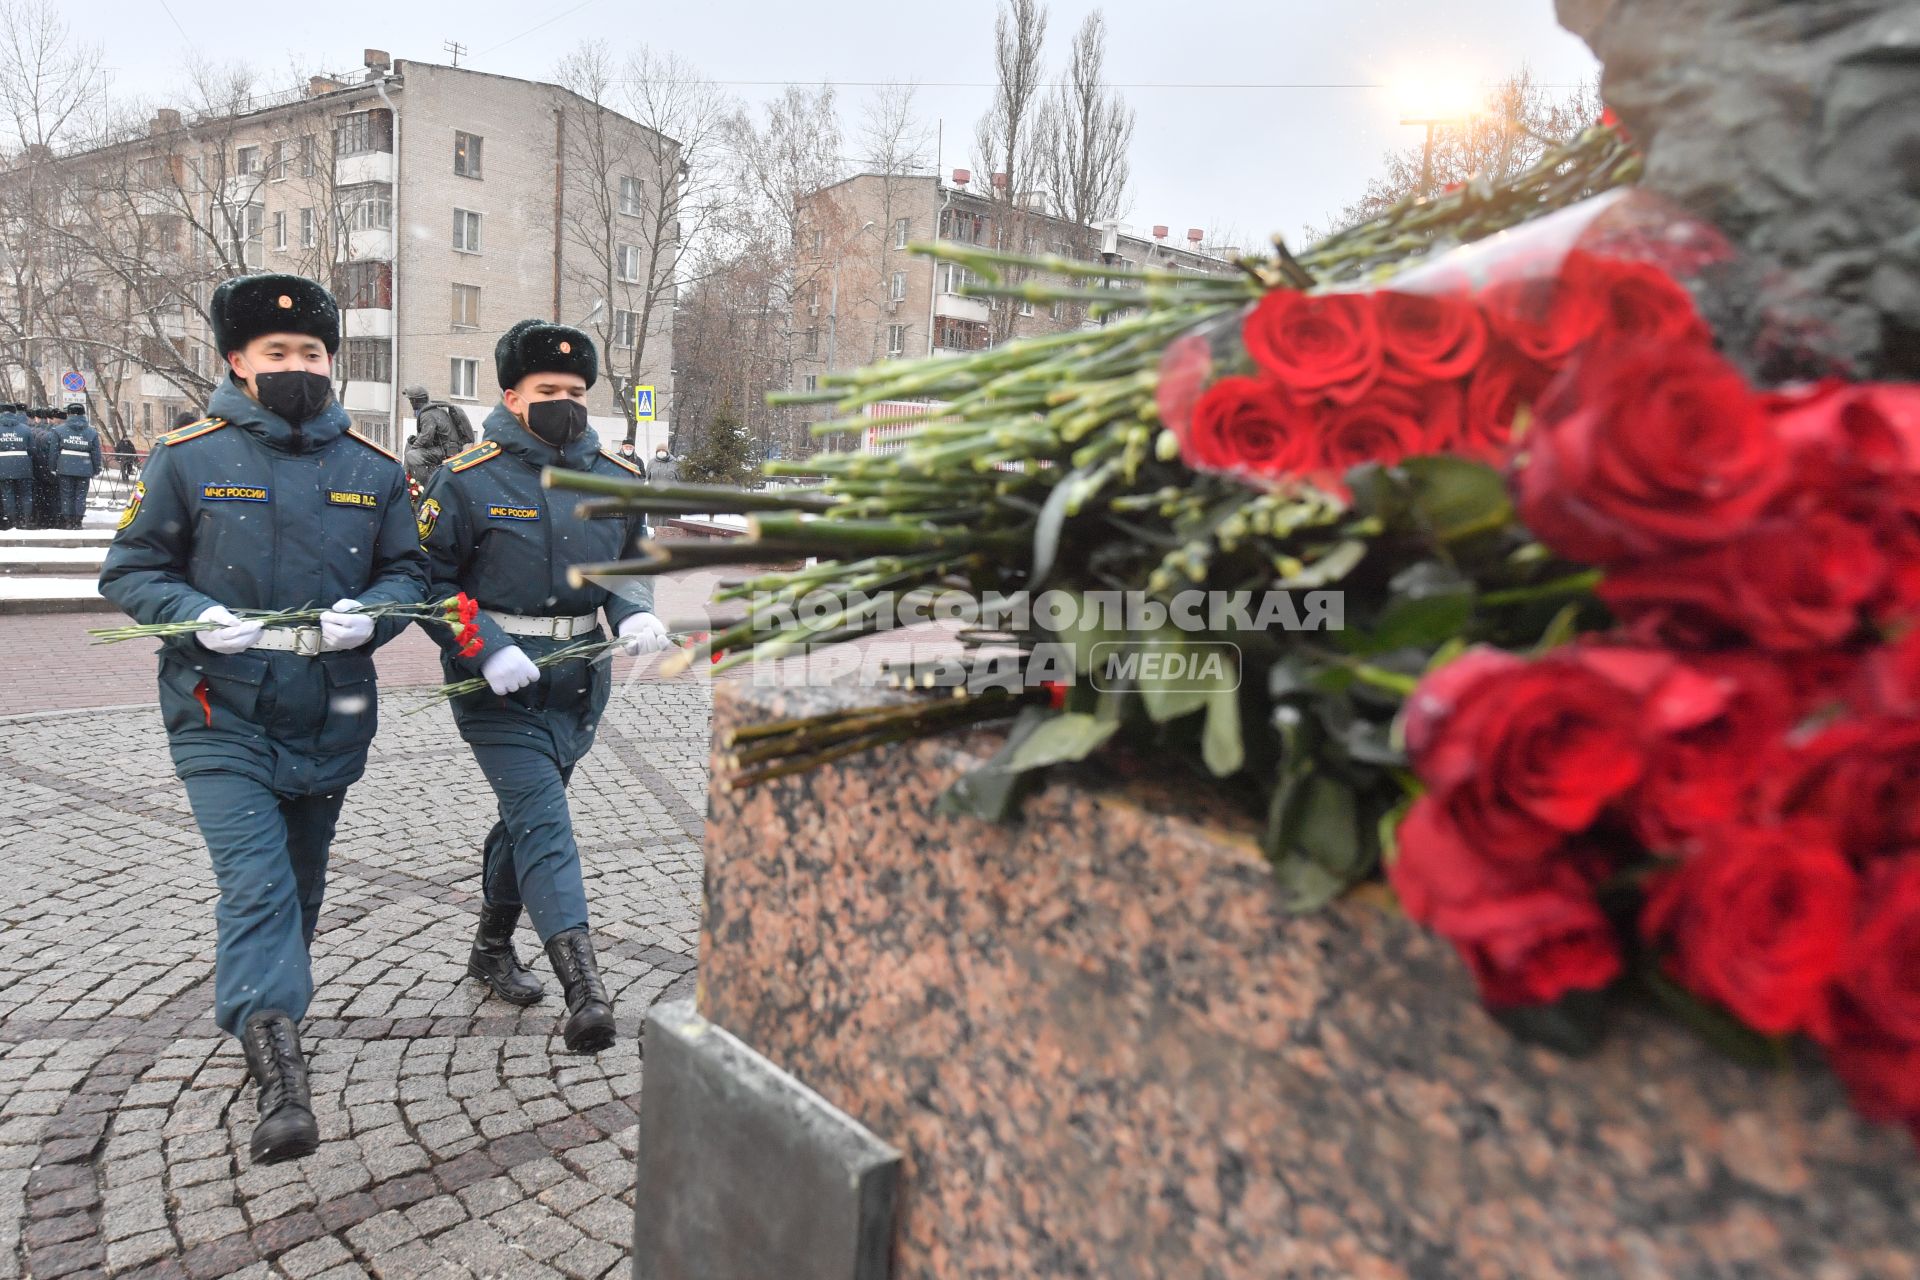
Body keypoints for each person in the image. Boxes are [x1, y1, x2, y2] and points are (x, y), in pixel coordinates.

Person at [98, 273, 429, 1164]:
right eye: (276, 353)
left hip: (330, 711)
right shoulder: (189, 457)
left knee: (302, 883)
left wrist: (379, 611)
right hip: (220, 711)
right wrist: (193, 614)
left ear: (334, 363)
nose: (297, 367)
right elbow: (129, 569)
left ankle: (270, 997)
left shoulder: (373, 468)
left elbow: (411, 574)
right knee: (257, 882)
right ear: (238, 362)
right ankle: (278, 1064)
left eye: (313, 354)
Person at [415, 318, 670, 1053]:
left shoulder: (614, 478)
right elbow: (428, 580)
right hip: (494, 685)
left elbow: (630, 566)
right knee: (544, 818)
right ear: (511, 394)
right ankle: (584, 987)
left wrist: (635, 615)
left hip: (578, 685)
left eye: (576, 390)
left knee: (527, 817)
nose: (566, 401)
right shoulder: (466, 478)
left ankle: (491, 948)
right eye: (548, 390)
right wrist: (484, 647)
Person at [401, 384, 475, 492]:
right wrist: (414, 442)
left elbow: (426, 438)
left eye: (411, 400)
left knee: (412, 455)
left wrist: (414, 447)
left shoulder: (427, 414)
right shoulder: (435, 410)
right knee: (410, 444)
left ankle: (423, 488)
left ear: (416, 401)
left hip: (445, 452)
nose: (411, 403)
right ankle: (406, 480)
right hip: (445, 448)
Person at [51, 403, 103, 529]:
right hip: (84, 468)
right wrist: (96, 468)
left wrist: (53, 467)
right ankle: (78, 521)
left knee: (66, 494)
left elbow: (53, 451)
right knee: (81, 495)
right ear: (83, 414)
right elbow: (96, 453)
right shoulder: (91, 432)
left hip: (65, 466)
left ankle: (68, 521)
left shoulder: (59, 430)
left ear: (68, 414)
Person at [0, 405, 32, 529]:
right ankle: (26, 519)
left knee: (8, 494)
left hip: (3, 465)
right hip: (23, 465)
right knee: (26, 494)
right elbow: (32, 448)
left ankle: (12, 520)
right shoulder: (25, 428)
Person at [26, 407, 58, 529]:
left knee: (39, 494)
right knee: (55, 495)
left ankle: (39, 517)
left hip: (38, 468)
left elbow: (33, 451)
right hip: (54, 468)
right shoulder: (56, 432)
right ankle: (55, 518)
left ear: (37, 418)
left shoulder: (34, 431)